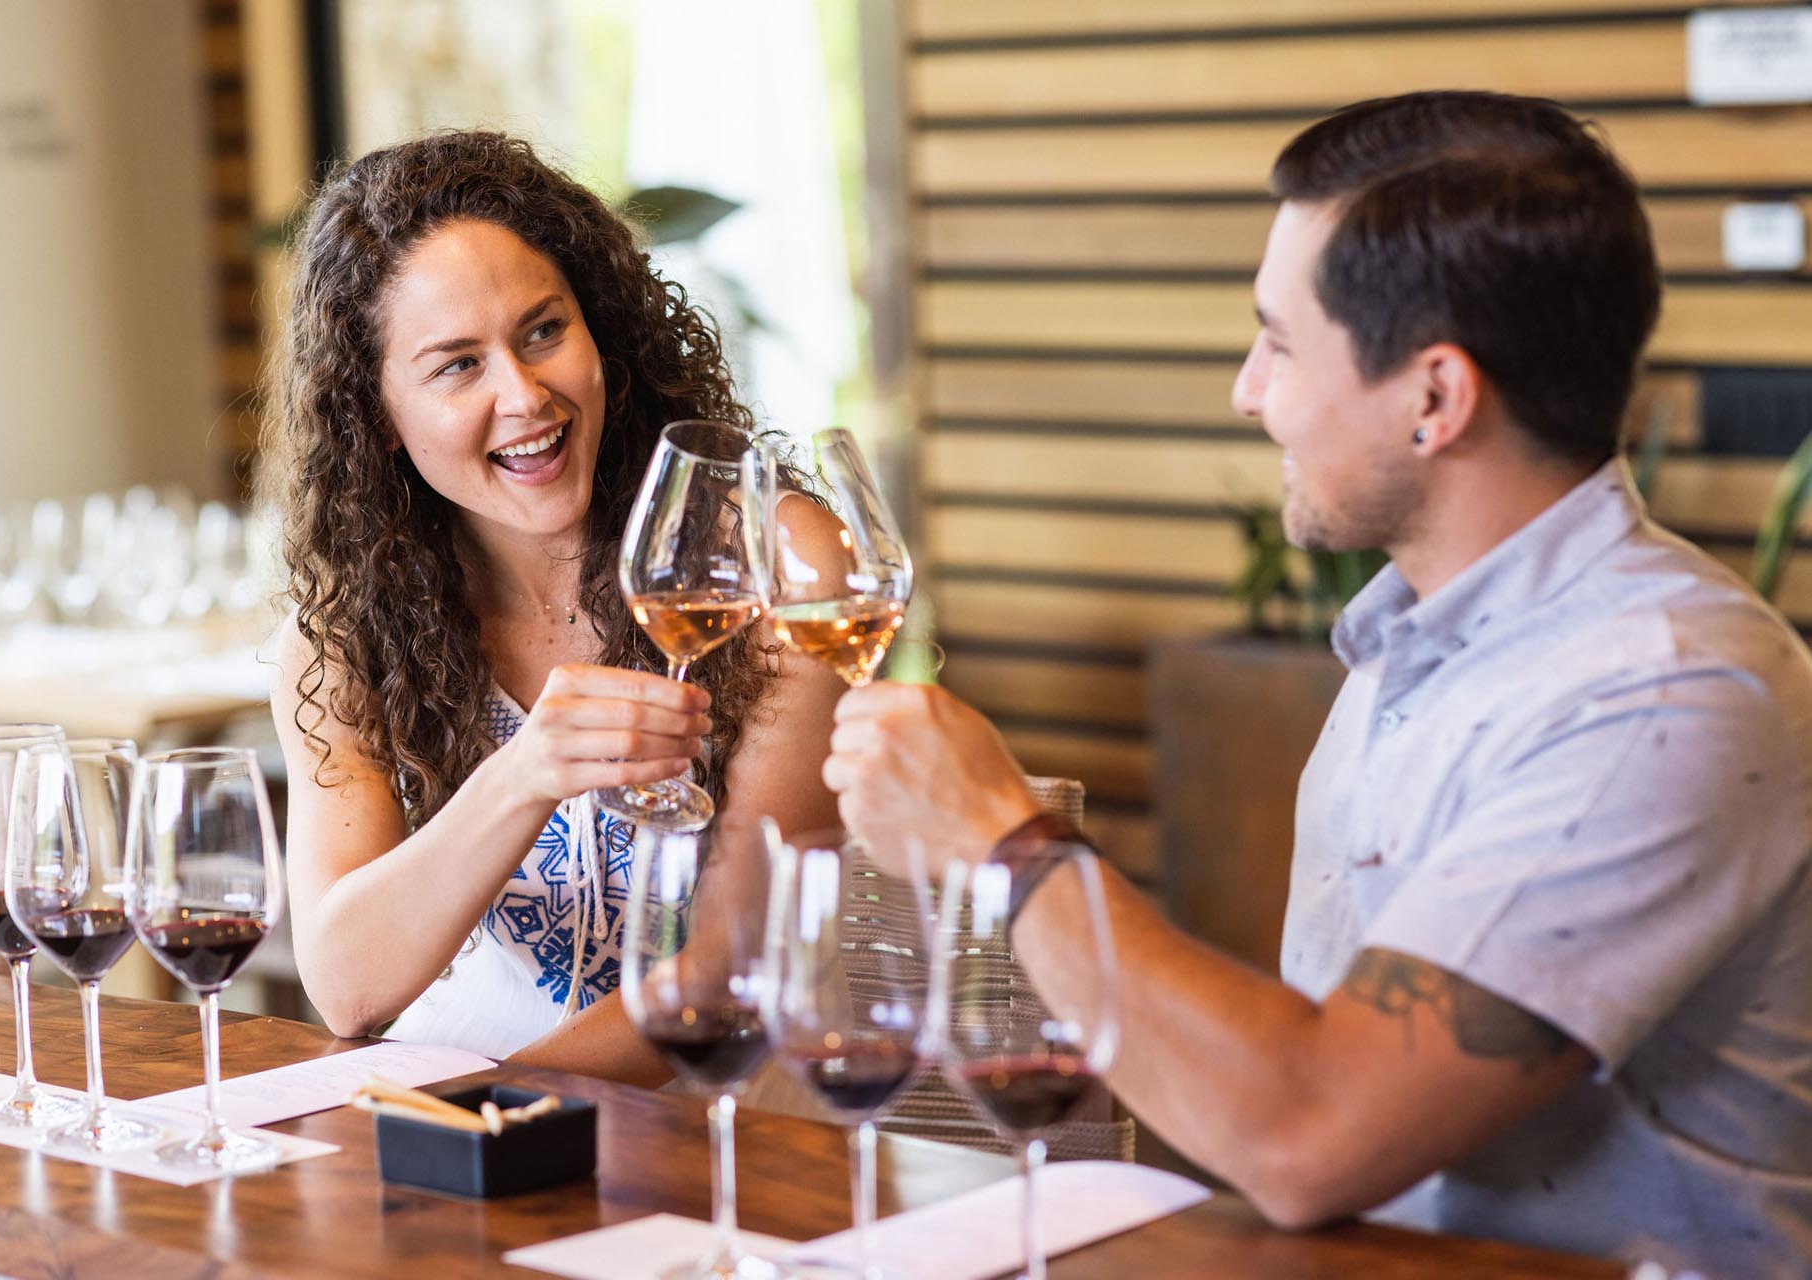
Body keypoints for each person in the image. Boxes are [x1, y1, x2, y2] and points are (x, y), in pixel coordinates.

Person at [824, 92, 1812, 1275]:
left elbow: (1306, 1136)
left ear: (1433, 398)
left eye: (1279, 342)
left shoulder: (1662, 689)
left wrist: (1000, 835)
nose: (1248, 391)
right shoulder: (1415, 639)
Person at [258, 131, 841, 1078]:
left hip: (709, 1134)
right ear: (379, 417)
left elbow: (733, 966)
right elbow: (349, 986)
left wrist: (498, 1112)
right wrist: (521, 775)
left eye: (542, 332)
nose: (525, 396)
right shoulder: (343, 636)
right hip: (447, 1114)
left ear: (599, 330)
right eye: (456, 365)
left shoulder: (779, 561)